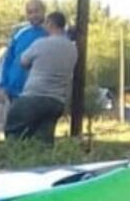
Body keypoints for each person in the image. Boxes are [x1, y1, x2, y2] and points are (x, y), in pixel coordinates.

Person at [5, 12, 78, 144]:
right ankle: (44, 161)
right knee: (44, 140)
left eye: (46, 23)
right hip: (57, 101)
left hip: (34, 96)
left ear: (50, 23)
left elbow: (23, 61)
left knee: (14, 130)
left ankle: (13, 159)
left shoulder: (41, 44)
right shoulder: (72, 49)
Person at [0, 0, 48, 103]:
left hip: (38, 94)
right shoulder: (20, 33)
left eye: (36, 11)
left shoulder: (49, 34)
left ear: (44, 11)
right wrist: (2, 85)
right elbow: (8, 59)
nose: (33, 15)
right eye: (30, 12)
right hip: (14, 92)